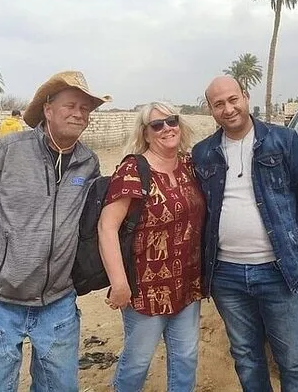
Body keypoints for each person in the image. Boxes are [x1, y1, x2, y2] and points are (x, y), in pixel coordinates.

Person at [0, 70, 111, 392]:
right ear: (48, 110)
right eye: (70, 105)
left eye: (85, 108)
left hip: (58, 304)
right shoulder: (8, 150)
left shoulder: (88, 163)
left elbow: (90, 226)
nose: (79, 114)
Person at [192, 76, 298, 392]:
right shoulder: (203, 153)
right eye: (219, 104)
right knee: (246, 358)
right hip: (226, 275)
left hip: (278, 270)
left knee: (293, 361)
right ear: (210, 110)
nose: (228, 109)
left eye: (233, 99)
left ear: (246, 97)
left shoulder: (284, 141)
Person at [98, 102, 205, 392]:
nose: (167, 128)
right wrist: (119, 283)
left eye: (172, 121)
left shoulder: (189, 166)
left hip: (187, 284)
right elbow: (107, 227)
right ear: (145, 134)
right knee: (138, 361)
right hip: (146, 288)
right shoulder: (133, 170)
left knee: (186, 358)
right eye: (157, 125)